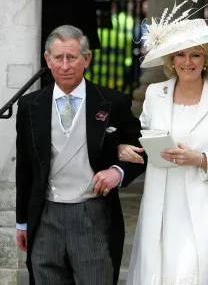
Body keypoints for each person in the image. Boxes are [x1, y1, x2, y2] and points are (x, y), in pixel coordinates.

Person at [117, 0, 208, 285]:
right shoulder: (155, 93)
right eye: (181, 54)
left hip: (205, 205)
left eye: (196, 54)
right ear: (171, 59)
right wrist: (126, 149)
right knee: (158, 274)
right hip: (161, 204)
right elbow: (143, 142)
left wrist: (199, 159)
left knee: (191, 275)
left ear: (207, 59)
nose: (187, 62)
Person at [15, 25, 146, 285]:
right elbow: (25, 167)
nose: (65, 65)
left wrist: (117, 172)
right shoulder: (30, 106)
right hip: (45, 215)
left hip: (92, 213)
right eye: (58, 58)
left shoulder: (113, 102)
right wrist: (22, 222)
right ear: (47, 60)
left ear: (86, 59)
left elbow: (143, 149)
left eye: (72, 57)